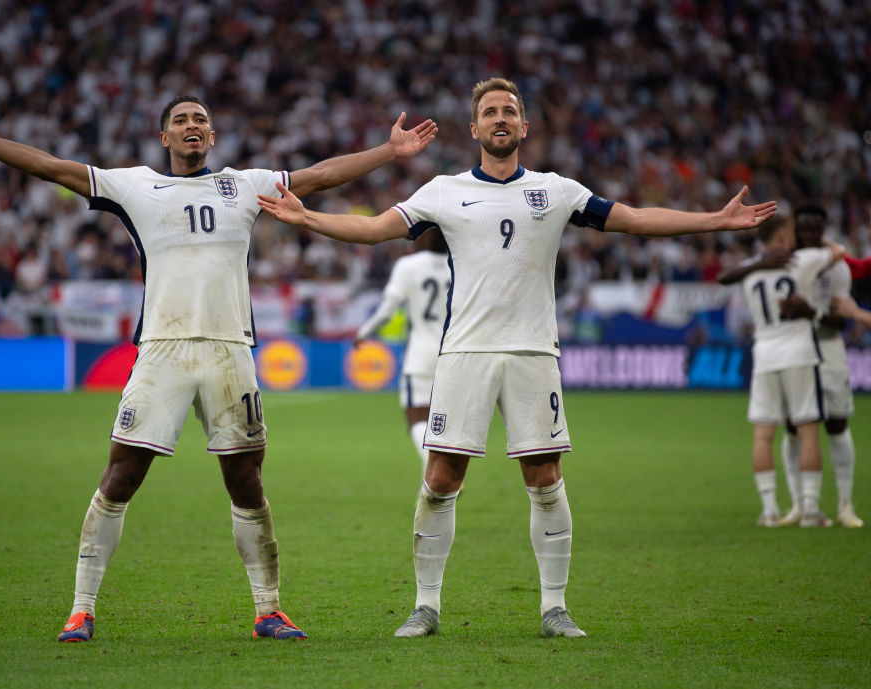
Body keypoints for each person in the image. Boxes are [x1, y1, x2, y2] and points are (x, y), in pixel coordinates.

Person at [257, 77, 777, 638]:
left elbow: (633, 218)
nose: (500, 118)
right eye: (490, 112)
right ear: (475, 128)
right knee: (439, 477)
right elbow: (375, 229)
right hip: (464, 354)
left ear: (524, 127)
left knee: (545, 476)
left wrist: (715, 221)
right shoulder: (443, 190)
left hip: (533, 354)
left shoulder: (557, 190)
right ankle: (426, 606)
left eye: (510, 111)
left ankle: (554, 607)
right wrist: (307, 218)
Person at [0, 88, 438, 642]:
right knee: (121, 475)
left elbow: (317, 177)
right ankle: (81, 609)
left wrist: (387, 152)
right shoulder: (134, 185)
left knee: (246, 481)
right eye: (180, 119)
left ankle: (268, 610)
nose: (192, 125)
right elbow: (51, 167)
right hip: (163, 352)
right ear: (165, 136)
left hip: (229, 352)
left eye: (200, 119)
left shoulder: (244, 185)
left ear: (212, 137)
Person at [718, 204, 862, 528]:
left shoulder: (752, 268)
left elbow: (724, 277)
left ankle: (769, 509)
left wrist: (758, 260)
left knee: (764, 435)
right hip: (799, 351)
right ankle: (809, 509)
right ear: (785, 235)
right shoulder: (803, 261)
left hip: (765, 354)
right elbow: (838, 252)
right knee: (808, 430)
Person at [354, 227, 450, 476]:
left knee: (417, 418)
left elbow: (387, 310)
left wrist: (363, 334)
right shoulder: (461, 264)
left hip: (421, 354)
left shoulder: (409, 265)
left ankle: (435, 470)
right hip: (455, 353)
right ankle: (433, 486)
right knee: (444, 425)